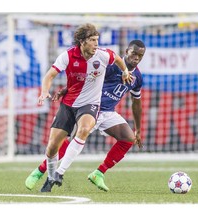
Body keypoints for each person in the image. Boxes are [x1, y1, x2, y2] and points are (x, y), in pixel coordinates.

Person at [25, 39, 146, 192]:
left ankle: (98, 173)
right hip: (89, 107)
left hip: (108, 112)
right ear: (126, 51)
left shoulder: (138, 78)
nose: (136, 58)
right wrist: (65, 90)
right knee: (67, 142)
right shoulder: (111, 66)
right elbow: (86, 79)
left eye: (140, 56)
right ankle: (40, 172)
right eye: (134, 53)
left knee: (129, 138)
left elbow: (137, 103)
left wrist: (138, 129)